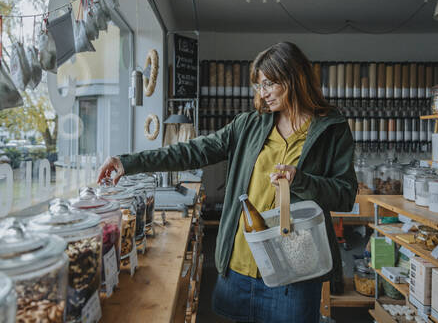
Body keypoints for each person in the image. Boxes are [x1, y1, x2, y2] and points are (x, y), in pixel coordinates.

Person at [98, 41, 357, 323]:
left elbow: (345, 195)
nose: (263, 93)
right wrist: (128, 162)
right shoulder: (248, 125)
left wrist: (301, 181)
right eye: (259, 86)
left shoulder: (331, 129)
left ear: (293, 77)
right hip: (242, 266)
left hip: (294, 274)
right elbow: (191, 150)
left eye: (269, 83)